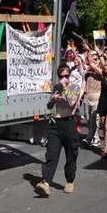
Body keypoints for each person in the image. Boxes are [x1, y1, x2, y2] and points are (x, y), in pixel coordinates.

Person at [36, 63, 82, 197]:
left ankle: (69, 180)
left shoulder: (74, 87)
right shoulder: (56, 88)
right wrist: (53, 98)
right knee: (51, 153)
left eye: (66, 76)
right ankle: (46, 182)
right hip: (56, 124)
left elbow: (71, 102)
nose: (64, 78)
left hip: (69, 122)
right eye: (61, 76)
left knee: (71, 153)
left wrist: (64, 87)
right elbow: (49, 105)